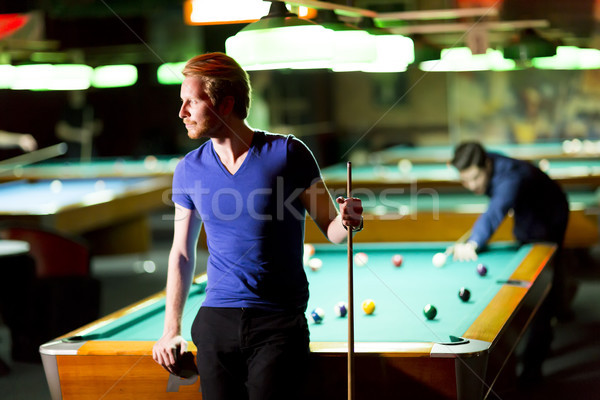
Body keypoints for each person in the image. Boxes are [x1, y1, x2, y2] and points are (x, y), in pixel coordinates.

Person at [152, 52, 363, 400]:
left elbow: (333, 229)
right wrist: (170, 329)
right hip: (216, 320)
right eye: (182, 102)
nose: (182, 112)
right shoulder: (189, 169)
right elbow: (180, 253)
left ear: (225, 103)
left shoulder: (288, 153)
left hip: (278, 323)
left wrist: (348, 220)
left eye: (192, 101)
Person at [449, 141, 569, 385]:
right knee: (523, 245)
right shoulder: (485, 160)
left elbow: (496, 210)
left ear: (487, 165)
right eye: (465, 180)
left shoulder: (510, 177)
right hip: (527, 212)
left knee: (541, 283)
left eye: (474, 178)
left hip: (551, 213)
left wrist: (473, 243)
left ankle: (532, 366)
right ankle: (559, 301)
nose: (472, 186)